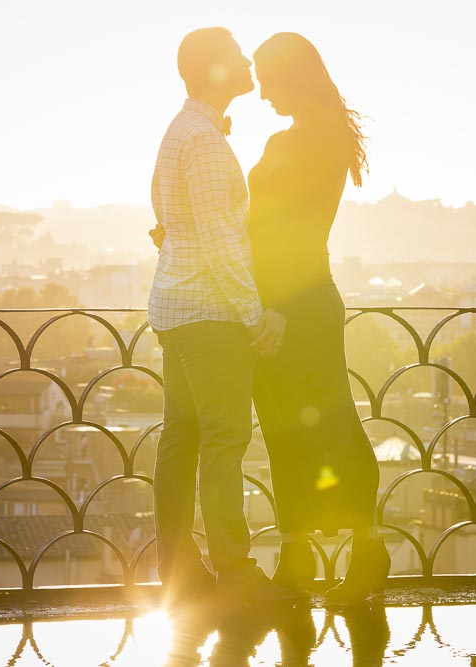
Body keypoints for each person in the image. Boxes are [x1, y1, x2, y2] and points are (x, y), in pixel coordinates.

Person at [148, 26, 290, 610]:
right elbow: (218, 241)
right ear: (213, 69)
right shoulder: (204, 142)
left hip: (176, 309)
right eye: (236, 54)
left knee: (181, 441)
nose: (248, 59)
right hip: (210, 314)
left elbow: (167, 220)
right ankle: (235, 571)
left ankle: (178, 570)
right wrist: (254, 313)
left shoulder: (182, 131)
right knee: (225, 440)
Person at [247, 32, 389, 603]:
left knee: (328, 427)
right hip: (285, 304)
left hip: (293, 305)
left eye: (266, 80)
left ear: (292, 77)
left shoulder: (310, 141)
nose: (260, 94)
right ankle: (303, 555)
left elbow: (300, 230)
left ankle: (357, 551)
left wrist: (277, 306)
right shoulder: (312, 137)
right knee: (287, 430)